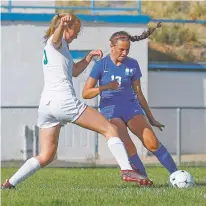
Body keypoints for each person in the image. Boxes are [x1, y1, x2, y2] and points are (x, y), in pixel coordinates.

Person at [1, 13, 153, 189]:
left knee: (47, 155)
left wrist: (88, 58)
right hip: (63, 102)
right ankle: (127, 169)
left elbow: (74, 71)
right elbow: (56, 37)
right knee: (110, 129)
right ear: (67, 28)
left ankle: (10, 183)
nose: (76, 35)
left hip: (46, 106)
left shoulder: (61, 48)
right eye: (76, 31)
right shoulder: (55, 41)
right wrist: (60, 26)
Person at [82, 23, 177, 178]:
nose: (125, 53)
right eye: (121, 49)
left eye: (127, 50)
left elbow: (139, 93)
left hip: (131, 108)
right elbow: (86, 93)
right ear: (112, 46)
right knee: (129, 146)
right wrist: (105, 87)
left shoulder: (133, 64)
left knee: (152, 142)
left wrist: (151, 118)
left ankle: (177, 175)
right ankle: (144, 179)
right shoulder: (101, 65)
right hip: (110, 111)